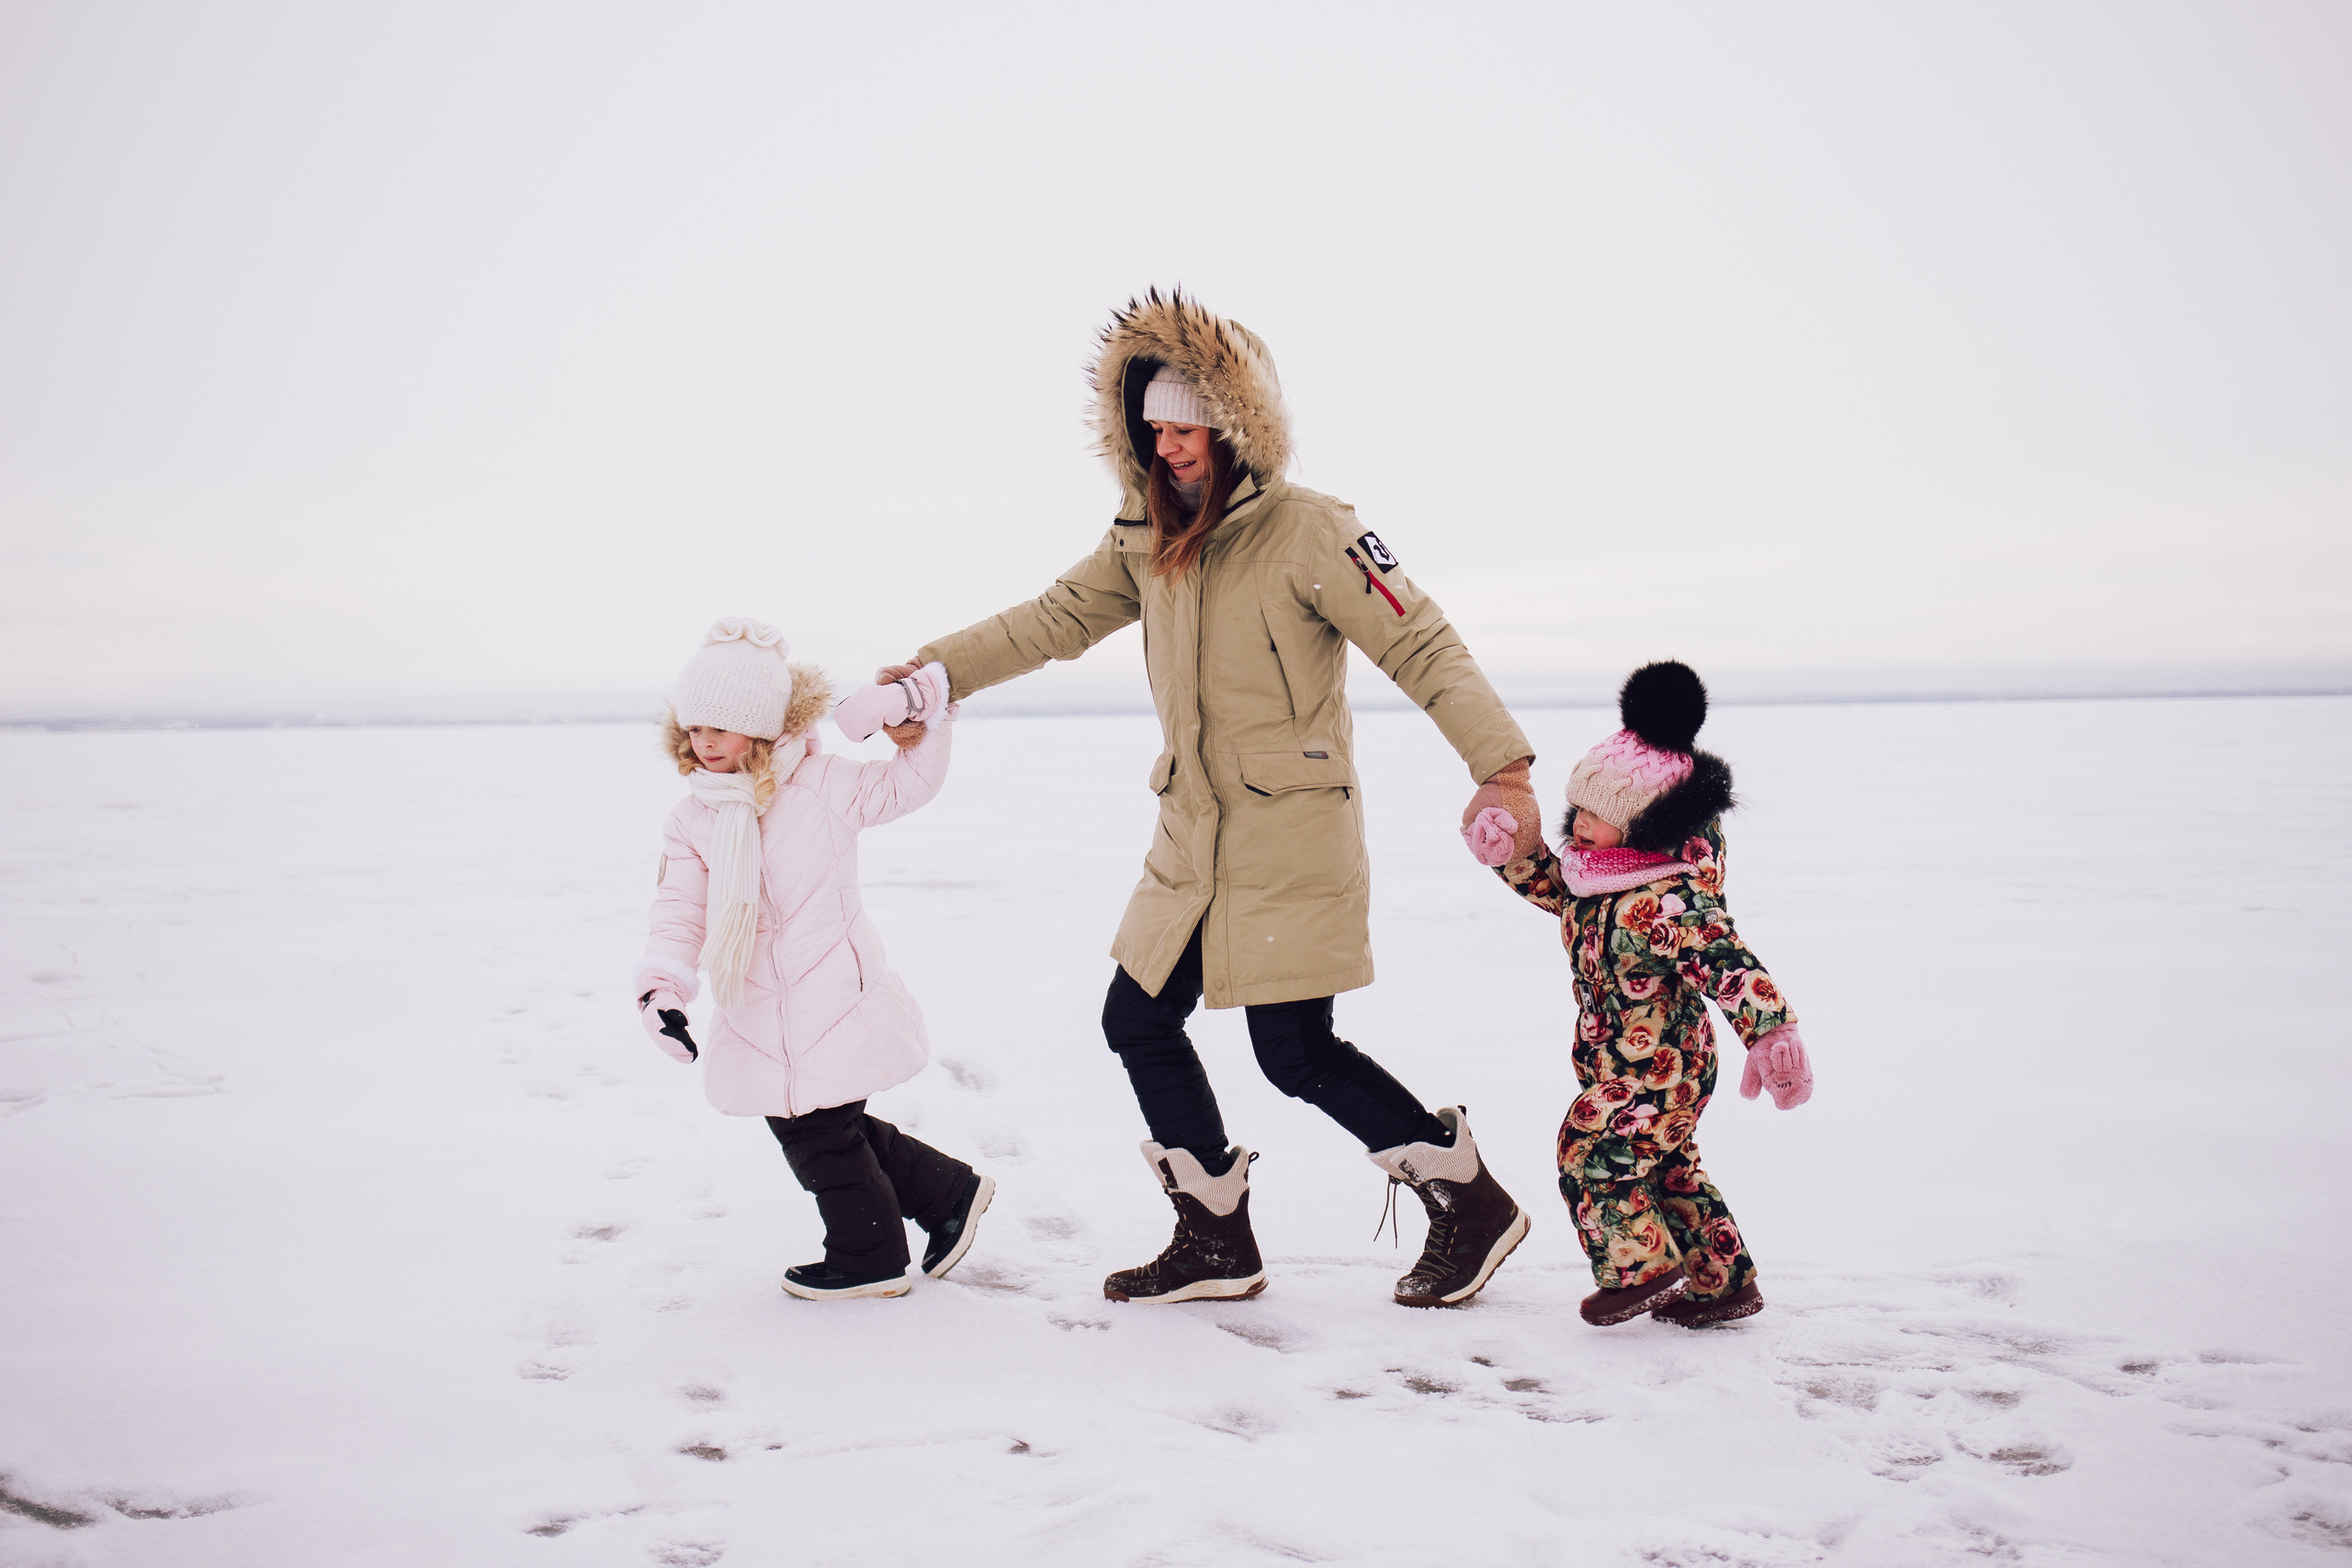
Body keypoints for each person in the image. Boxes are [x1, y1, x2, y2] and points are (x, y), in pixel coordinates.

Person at [874, 289, 1543, 1308]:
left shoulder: (1316, 533)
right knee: (1136, 1019)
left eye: (1189, 428)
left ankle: (1468, 1200)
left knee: (1294, 1052)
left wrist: (1500, 770)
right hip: (1191, 836)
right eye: (1155, 430)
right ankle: (1216, 1241)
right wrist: (930, 677)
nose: (1172, 447)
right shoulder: (1144, 540)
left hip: (1289, 833)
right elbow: (1048, 621)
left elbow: (1423, 642)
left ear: (1238, 428)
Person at [633, 619, 992, 1301]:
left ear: (763, 728)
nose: (704, 742)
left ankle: (869, 1256)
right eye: (695, 728)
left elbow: (907, 786)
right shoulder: (693, 818)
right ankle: (948, 1191)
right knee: (825, 1120)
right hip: (757, 998)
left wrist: (921, 720)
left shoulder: (824, 784)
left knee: (818, 1130)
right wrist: (663, 989)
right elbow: (681, 910)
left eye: (722, 727)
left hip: (832, 987)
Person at [1465, 660, 1814, 1327]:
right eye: (1581, 808)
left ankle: (1639, 1269)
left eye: (1602, 813)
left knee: (1591, 1149)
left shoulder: (1666, 897)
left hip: (1668, 1067)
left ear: (1646, 824)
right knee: (1665, 1167)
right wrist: (1508, 850)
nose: (1583, 823)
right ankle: (1720, 1283)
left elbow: (1726, 958)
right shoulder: (1601, 877)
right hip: (1617, 1059)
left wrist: (1771, 1030)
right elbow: (1555, 885)